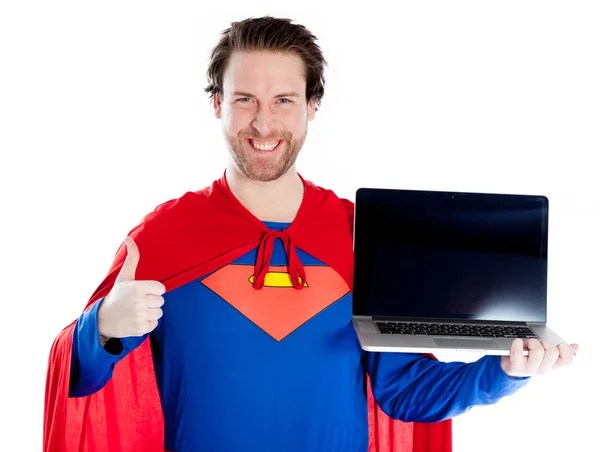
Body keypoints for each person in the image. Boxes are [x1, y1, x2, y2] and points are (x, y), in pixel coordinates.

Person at [44, 16, 578, 452]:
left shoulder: (357, 235)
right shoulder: (165, 235)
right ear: (217, 106)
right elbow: (79, 379)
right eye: (244, 99)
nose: (263, 123)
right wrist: (105, 327)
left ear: (311, 108)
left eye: (283, 100)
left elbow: (407, 391)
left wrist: (506, 370)